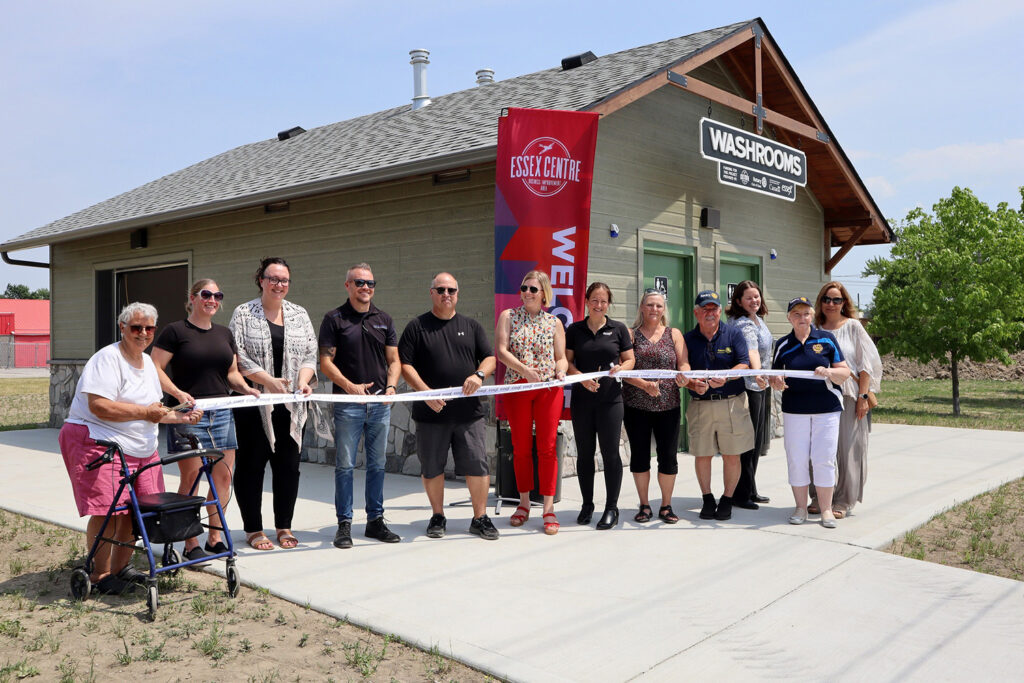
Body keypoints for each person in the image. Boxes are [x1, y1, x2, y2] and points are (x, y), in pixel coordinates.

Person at [59, 303, 201, 594]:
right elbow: (99, 407)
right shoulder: (107, 359)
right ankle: (100, 574)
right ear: (122, 327)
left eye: (149, 328)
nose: (143, 334)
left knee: (139, 512)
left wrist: (180, 414)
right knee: (110, 512)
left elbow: (155, 409)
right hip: (99, 441)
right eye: (136, 327)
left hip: (140, 448)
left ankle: (121, 567)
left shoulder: (147, 361)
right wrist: (145, 413)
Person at [153, 279, 258, 563]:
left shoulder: (224, 333)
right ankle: (189, 542)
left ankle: (214, 538)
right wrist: (176, 394)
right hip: (189, 413)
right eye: (206, 294)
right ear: (193, 298)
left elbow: (232, 373)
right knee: (192, 477)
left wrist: (246, 388)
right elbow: (155, 367)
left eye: (217, 295)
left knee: (223, 478)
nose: (212, 299)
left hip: (222, 412)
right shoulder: (175, 331)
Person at [399, 272, 498, 540]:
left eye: (451, 290)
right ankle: (438, 515)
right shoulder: (416, 327)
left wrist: (478, 375)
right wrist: (424, 392)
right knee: (432, 466)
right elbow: (404, 365)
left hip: (468, 414)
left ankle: (480, 517)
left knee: (477, 464)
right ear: (431, 292)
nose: (446, 294)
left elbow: (490, 358)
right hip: (431, 412)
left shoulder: (472, 326)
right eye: (441, 289)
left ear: (457, 294)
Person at [229, 257, 319, 551]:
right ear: (261, 280)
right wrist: (267, 381)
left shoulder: (299, 314)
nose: (279, 285)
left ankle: (283, 525)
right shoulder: (243, 313)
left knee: (288, 468)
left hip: (290, 407)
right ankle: (253, 529)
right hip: (253, 404)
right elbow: (237, 356)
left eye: (284, 280)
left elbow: (309, 354)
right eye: (273, 279)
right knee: (251, 467)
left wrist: (304, 381)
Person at [319, 263, 403, 549]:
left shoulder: (385, 319)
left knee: (378, 465)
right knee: (345, 466)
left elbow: (394, 360)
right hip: (348, 404)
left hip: (380, 404)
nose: (365, 287)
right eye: (359, 282)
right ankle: (344, 525)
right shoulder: (334, 319)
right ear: (348, 286)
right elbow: (326, 362)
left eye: (370, 283)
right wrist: (349, 387)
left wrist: (391, 387)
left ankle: (375, 522)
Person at [765, 296, 851, 528]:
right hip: (795, 410)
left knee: (824, 459)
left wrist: (829, 372)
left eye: (805, 314)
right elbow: (775, 376)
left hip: (827, 409)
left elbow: (845, 372)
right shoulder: (782, 344)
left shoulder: (827, 339)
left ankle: (826, 510)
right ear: (789, 318)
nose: (801, 318)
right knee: (797, 459)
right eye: (796, 314)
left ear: (812, 316)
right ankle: (801, 508)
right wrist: (776, 382)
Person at [495, 270, 568, 535]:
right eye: (524, 288)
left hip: (548, 388)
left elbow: (561, 357)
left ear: (543, 293)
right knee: (521, 446)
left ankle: (548, 508)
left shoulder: (554, 322)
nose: (527, 292)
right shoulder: (508, 317)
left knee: (548, 447)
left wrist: (560, 370)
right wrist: (525, 371)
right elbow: (501, 351)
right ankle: (524, 503)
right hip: (518, 386)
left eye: (533, 289)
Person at [809, 281, 882, 519]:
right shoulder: (813, 327)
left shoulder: (853, 327)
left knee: (848, 449)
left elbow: (866, 365)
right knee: (818, 449)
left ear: (844, 303)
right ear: (820, 302)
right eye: (827, 299)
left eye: (836, 300)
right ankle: (819, 497)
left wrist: (863, 396)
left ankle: (843, 500)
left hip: (849, 394)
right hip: (817, 396)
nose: (831, 304)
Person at [565, 282, 635, 530]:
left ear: (608, 303)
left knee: (610, 454)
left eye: (603, 301)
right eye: (594, 300)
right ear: (586, 301)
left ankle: (611, 508)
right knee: (585, 454)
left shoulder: (618, 329)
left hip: (610, 401)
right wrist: (581, 378)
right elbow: (567, 363)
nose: (599, 305)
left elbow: (630, 359)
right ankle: (587, 505)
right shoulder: (574, 329)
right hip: (583, 402)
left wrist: (620, 368)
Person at [683, 290, 753, 521]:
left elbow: (744, 364)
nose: (709, 313)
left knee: (732, 455)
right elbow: (682, 370)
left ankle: (727, 499)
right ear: (696, 313)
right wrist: (693, 384)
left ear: (721, 311)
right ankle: (707, 498)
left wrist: (726, 376)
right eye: (704, 308)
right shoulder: (688, 339)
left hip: (732, 404)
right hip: (701, 404)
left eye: (713, 308)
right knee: (702, 454)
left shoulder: (734, 334)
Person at [623, 289, 690, 524]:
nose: (654, 309)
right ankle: (644, 505)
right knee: (640, 458)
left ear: (664, 310)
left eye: (659, 306)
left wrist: (685, 376)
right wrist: (643, 385)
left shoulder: (674, 334)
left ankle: (666, 505)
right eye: (650, 305)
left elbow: (684, 364)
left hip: (668, 406)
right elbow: (623, 369)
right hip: (636, 407)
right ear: (642, 307)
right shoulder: (630, 335)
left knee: (668, 458)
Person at [725, 280, 773, 510]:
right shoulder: (742, 323)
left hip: (761, 385)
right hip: (748, 386)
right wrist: (757, 374)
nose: (755, 301)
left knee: (757, 441)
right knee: (747, 442)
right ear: (738, 301)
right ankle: (740, 493)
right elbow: (752, 350)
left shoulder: (758, 319)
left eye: (757, 297)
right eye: (749, 298)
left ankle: (751, 488)